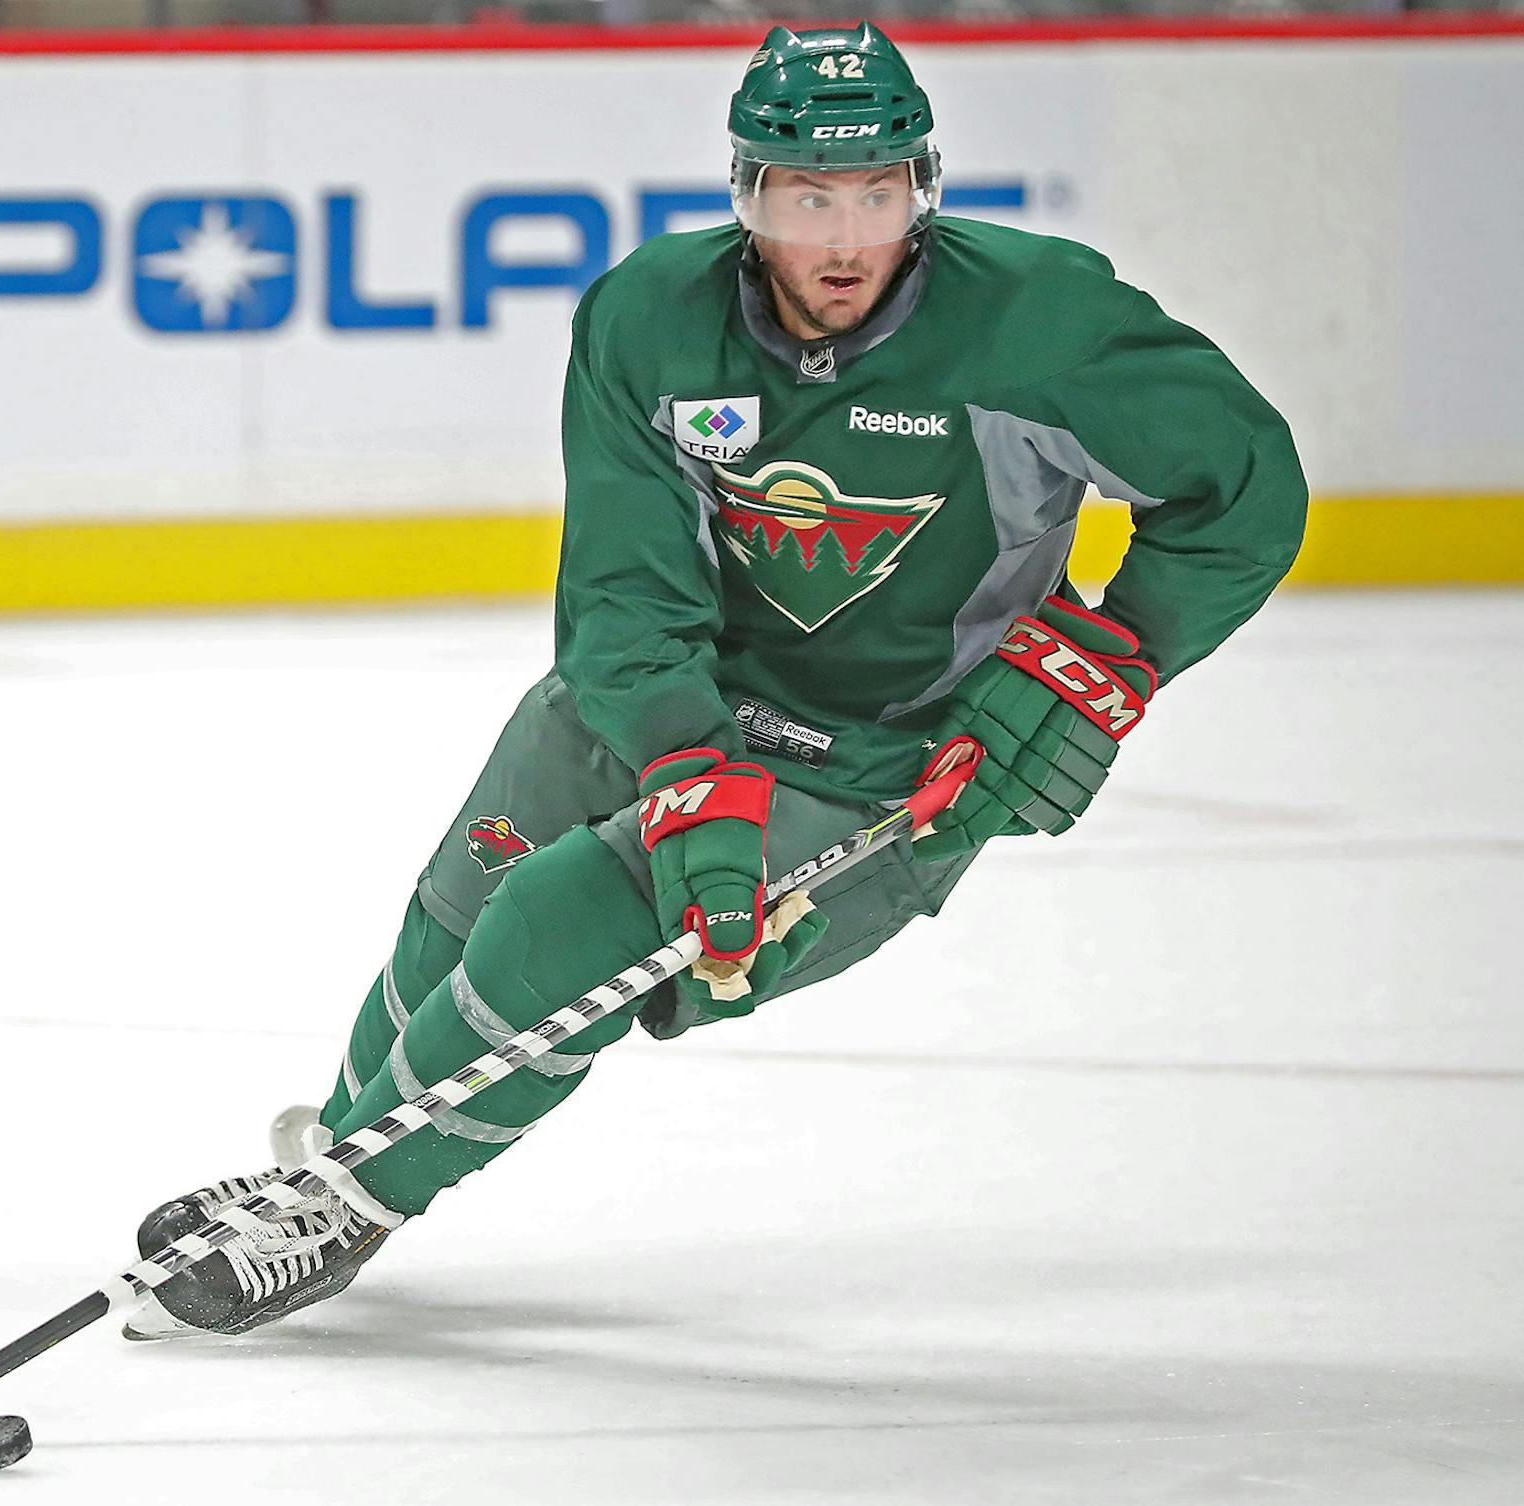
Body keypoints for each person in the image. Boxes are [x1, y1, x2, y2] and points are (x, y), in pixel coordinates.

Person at [121, 22, 1308, 1340]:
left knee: (567, 908)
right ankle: (321, 1183)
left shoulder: (1041, 324)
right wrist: (689, 760)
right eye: (810, 198)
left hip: (890, 762)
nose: (847, 236)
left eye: (877, 193)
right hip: (679, 708)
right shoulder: (651, 317)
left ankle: (352, 1200)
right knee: (483, 862)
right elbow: (627, 592)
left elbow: (1243, 489)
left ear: (925, 184)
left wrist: (1114, 649)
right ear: (749, 196)